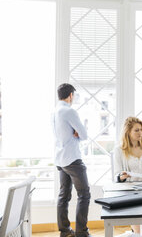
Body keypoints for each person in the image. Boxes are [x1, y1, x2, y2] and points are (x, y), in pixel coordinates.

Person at [52, 83, 91, 237]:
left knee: (64, 196)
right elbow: (84, 135)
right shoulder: (69, 111)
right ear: (70, 95)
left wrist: (75, 132)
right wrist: (77, 132)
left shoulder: (54, 112)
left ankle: (65, 231)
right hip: (73, 159)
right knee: (84, 194)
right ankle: (82, 232)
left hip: (60, 160)